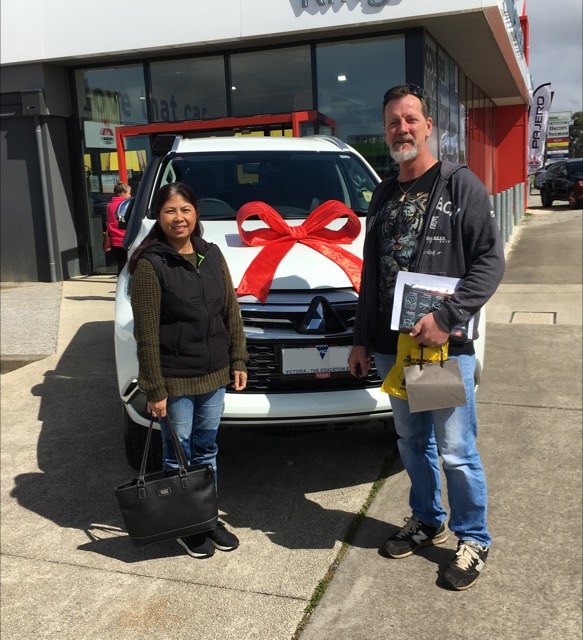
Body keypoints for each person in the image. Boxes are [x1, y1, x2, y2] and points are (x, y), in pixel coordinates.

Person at [348, 84, 505, 591]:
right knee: (412, 442)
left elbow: (489, 262)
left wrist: (447, 316)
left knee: (454, 449)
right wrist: (360, 338)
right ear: (385, 130)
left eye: (411, 119)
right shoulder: (382, 194)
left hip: (435, 347)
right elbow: (371, 272)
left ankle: (473, 537)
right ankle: (427, 519)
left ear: (429, 126)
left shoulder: (458, 185)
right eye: (393, 121)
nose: (403, 129)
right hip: (391, 346)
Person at [127, 182, 248, 559]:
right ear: (158, 216)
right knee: (176, 456)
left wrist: (238, 358)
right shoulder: (150, 265)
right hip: (174, 380)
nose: (178, 218)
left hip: (214, 375)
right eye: (170, 211)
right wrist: (154, 388)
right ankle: (187, 526)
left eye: (185, 210)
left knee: (206, 448)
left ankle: (207, 518)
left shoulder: (211, 254)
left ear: (196, 213)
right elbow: (146, 334)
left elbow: (231, 311)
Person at [106, 181, 132, 275]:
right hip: (126, 238)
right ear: (122, 193)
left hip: (115, 239)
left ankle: (120, 281)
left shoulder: (109, 205)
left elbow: (109, 221)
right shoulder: (127, 204)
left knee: (121, 263)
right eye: (129, 193)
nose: (130, 195)